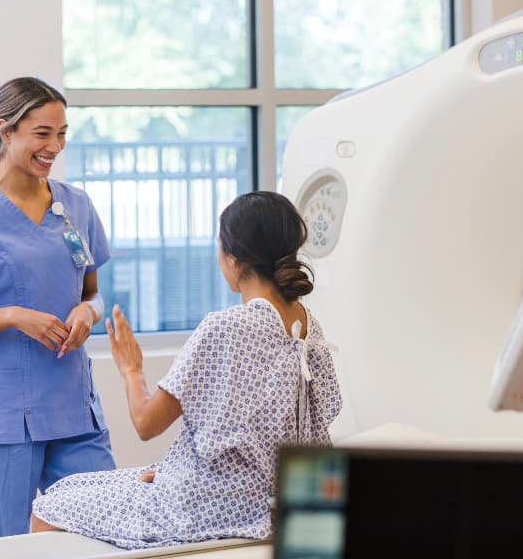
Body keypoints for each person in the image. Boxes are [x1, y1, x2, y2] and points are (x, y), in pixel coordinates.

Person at [30, 191, 343, 549]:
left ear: (233, 256)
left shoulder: (225, 328)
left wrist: (132, 370)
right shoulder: (308, 328)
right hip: (280, 501)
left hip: (210, 507)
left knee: (51, 505)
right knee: (96, 483)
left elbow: (147, 423)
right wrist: (169, 473)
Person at [0, 76, 115, 539]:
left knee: (104, 537)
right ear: (5, 131)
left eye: (62, 134)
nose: (55, 147)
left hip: (76, 408)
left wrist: (88, 314)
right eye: (43, 134)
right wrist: (13, 315)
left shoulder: (76, 206)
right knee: (3, 549)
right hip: (5, 417)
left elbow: (94, 293)